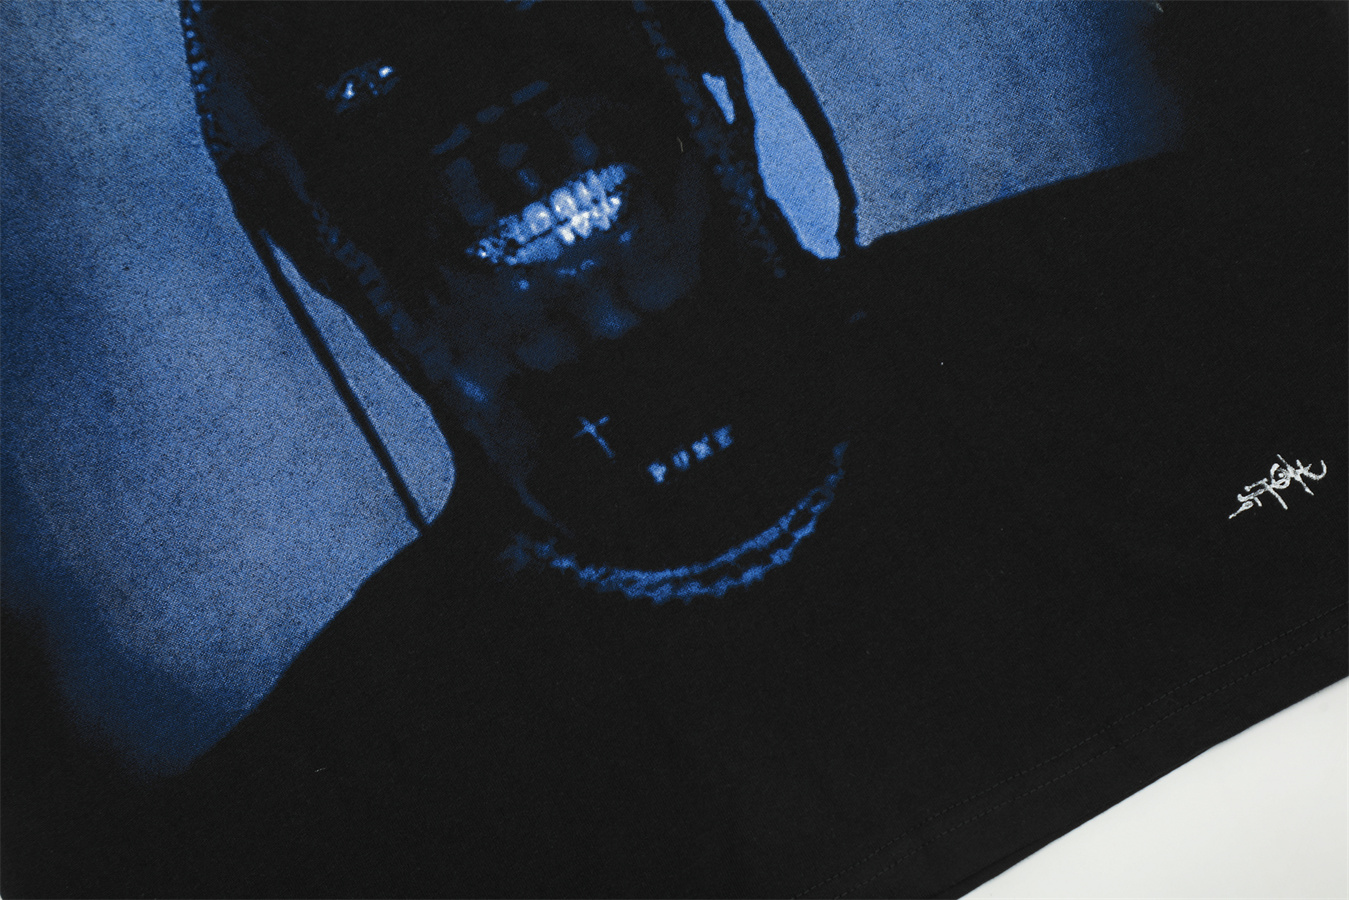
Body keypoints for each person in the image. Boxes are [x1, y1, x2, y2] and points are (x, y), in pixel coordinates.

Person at [10, 2, 1348, 896]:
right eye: (369, 85)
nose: (491, 120)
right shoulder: (325, 813)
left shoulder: (1168, 306)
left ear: (692, 31)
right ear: (306, 233)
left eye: (526, 9)